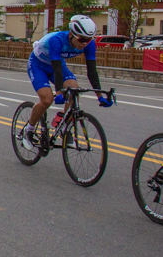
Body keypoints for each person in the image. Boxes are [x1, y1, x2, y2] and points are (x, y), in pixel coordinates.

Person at [18, 15, 111, 154]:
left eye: (89, 39)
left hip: (57, 64)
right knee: (47, 99)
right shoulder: (57, 40)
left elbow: (92, 71)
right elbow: (56, 68)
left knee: (74, 90)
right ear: (72, 34)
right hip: (39, 65)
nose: (85, 43)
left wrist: (99, 95)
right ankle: (28, 130)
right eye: (82, 39)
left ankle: (64, 127)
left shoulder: (89, 44)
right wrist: (60, 92)